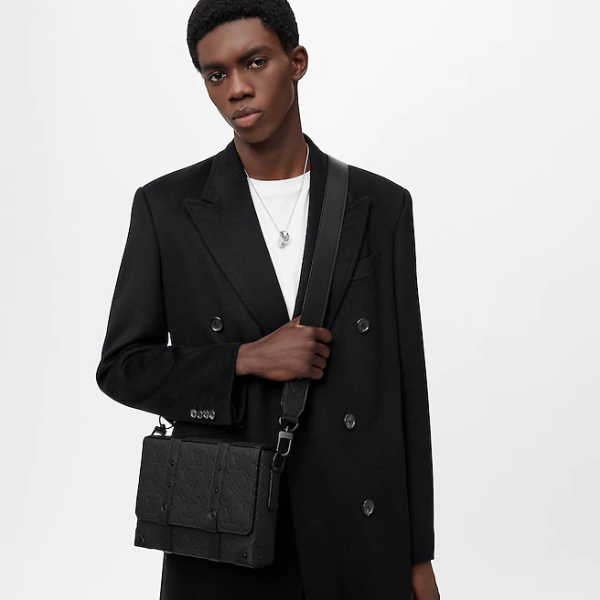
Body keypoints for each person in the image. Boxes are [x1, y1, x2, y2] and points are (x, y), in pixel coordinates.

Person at [95, 1, 441, 598]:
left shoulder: (382, 206)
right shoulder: (166, 209)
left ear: (296, 61)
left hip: (358, 532)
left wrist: (418, 555)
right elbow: (123, 368)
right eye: (216, 74)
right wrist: (244, 360)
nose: (236, 88)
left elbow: (406, 391)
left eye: (254, 62)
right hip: (227, 533)